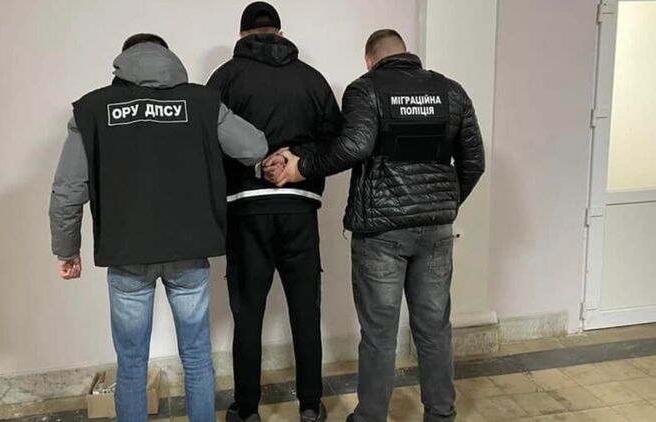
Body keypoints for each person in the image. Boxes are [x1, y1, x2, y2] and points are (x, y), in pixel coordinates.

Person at [49, 33, 268, 422]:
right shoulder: (201, 102)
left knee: (132, 363)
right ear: (168, 58)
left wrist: (67, 250)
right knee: (197, 357)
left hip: (127, 254)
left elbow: (67, 190)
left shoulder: (93, 108)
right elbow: (253, 148)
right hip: (189, 251)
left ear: (123, 62)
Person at [268, 29, 485, 422]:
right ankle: (441, 415)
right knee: (434, 330)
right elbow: (474, 162)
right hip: (436, 231)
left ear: (370, 60)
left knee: (380, 335)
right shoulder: (451, 92)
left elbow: (354, 145)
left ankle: (370, 417)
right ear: (406, 53)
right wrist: (444, 204)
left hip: (381, 233)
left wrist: (303, 167)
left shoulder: (366, 89)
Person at [207, 2, 341, 421]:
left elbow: (207, 144)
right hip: (300, 210)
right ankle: (310, 407)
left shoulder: (225, 78)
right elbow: (336, 141)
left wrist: (256, 167)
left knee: (248, 315)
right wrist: (295, 162)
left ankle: (247, 410)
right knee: (305, 311)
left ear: (242, 35)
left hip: (246, 212)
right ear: (280, 33)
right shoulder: (312, 79)